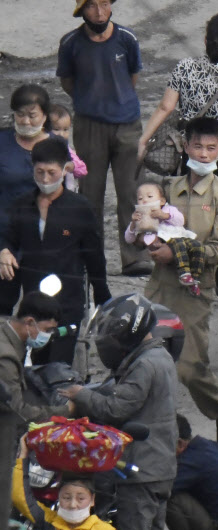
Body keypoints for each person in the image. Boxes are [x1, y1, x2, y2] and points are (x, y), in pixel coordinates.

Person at [138, 13, 218, 306]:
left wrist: (145, 138)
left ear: (205, 40)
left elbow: (165, 106)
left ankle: (187, 272)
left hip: (190, 158)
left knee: (186, 220)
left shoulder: (184, 68)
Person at [145, 117, 218, 447]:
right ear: (186, 147)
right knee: (147, 359)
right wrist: (151, 243)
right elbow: (147, 227)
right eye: (197, 146)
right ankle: (154, 430)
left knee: (189, 367)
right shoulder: (168, 188)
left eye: (210, 147)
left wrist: (177, 253)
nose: (202, 153)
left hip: (195, 290)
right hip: (159, 287)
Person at [58, 294, 178, 530]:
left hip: (141, 472)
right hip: (158, 467)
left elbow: (115, 409)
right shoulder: (160, 356)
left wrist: (79, 395)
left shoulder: (145, 364)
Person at [56, 0, 152, 277]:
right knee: (90, 195)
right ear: (81, 11)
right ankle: (90, 257)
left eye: (104, 4)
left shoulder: (127, 39)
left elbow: (132, 76)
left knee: (131, 192)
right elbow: (67, 82)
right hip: (89, 127)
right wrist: (90, 102)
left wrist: (114, 101)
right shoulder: (71, 43)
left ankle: (134, 257)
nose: (99, 12)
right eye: (92, 6)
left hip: (127, 125)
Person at [0, 137, 111, 366]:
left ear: (64, 169)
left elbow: (94, 254)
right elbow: (7, 236)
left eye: (51, 172)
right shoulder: (21, 205)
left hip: (67, 302)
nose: (45, 179)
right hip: (32, 300)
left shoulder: (80, 208)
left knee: (59, 366)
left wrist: (102, 294)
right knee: (35, 362)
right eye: (39, 172)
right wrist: (4, 250)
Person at [0, 84, 52, 316]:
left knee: (39, 309)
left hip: (43, 242)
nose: (26, 121)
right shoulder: (2, 143)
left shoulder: (55, 146)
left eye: (32, 115)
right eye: (20, 115)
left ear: (44, 115)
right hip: (5, 238)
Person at [12, 435, 120, 530]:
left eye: (81, 499)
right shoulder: (49, 521)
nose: (73, 505)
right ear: (58, 497)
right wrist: (23, 455)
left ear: (92, 500)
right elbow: (20, 498)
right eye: (66, 498)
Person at [0, 291, 72, 424]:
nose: (48, 335)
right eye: (47, 330)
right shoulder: (6, 359)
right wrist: (66, 410)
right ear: (29, 322)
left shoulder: (5, 325)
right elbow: (17, 411)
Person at [125, 182, 206, 296]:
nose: (145, 201)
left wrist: (163, 215)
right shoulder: (140, 217)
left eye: (150, 197)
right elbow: (129, 239)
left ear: (162, 201)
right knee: (179, 245)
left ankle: (195, 278)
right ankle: (184, 273)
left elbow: (180, 221)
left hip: (178, 235)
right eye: (140, 198)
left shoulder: (169, 210)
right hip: (164, 241)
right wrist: (133, 223)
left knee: (198, 247)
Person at [49, 103, 88, 191]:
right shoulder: (40, 148)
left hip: (64, 191)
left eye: (65, 129)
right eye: (56, 129)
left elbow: (82, 169)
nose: (61, 134)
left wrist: (72, 166)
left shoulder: (67, 150)